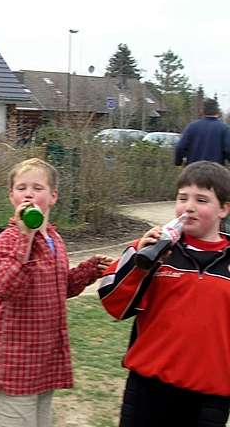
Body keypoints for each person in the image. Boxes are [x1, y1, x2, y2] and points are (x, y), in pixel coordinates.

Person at [0, 158, 112, 427]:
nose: (28, 193)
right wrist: (25, 237)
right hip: (13, 367)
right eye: (21, 188)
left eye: (37, 188)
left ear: (53, 197)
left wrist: (88, 271)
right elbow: (7, 287)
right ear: (11, 196)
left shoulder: (54, 239)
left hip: (43, 364)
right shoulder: (8, 239)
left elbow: (58, 287)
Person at [98, 161, 230, 427]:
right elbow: (113, 303)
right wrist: (138, 255)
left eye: (202, 199)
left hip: (210, 395)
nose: (189, 207)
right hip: (149, 388)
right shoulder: (158, 251)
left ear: (224, 209)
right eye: (183, 198)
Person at [175, 97, 230, 166]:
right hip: (215, 171)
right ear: (217, 111)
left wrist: (178, 162)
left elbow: (180, 147)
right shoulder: (224, 128)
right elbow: (228, 149)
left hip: (193, 170)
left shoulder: (192, 126)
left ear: (203, 111)